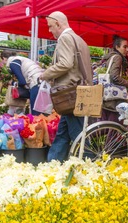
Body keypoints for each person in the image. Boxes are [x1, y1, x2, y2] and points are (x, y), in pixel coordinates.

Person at [39, 11, 93, 162]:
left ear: (58, 23)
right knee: (63, 133)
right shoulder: (79, 39)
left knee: (78, 136)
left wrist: (46, 74)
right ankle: (53, 162)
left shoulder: (65, 38)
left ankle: (88, 164)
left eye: (50, 26)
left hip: (69, 94)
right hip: (77, 92)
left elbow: (66, 63)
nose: (49, 30)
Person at [100, 35, 128, 122]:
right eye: (125, 47)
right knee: (115, 126)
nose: (127, 50)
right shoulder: (118, 57)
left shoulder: (109, 56)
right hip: (115, 99)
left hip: (106, 97)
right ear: (117, 47)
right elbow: (115, 76)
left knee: (105, 125)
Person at [0, 50, 44, 115]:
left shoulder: (13, 63)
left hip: (35, 82)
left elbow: (22, 82)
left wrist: (12, 83)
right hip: (41, 81)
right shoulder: (19, 59)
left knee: (36, 114)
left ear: (4, 58)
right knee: (42, 112)